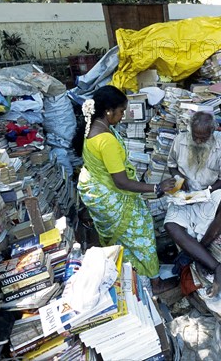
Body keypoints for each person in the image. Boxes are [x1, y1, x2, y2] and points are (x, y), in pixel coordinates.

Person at [75, 85, 177, 293]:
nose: (123, 116)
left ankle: (129, 277)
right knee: (142, 235)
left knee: (123, 238)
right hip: (113, 195)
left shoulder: (93, 128)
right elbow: (121, 181)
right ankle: (154, 283)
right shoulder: (105, 140)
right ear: (108, 111)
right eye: (121, 111)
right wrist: (157, 187)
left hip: (100, 194)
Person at [164, 111, 221, 296]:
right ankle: (216, 266)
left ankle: (195, 251)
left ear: (212, 131)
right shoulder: (180, 140)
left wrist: (208, 191)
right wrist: (178, 176)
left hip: (208, 193)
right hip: (185, 194)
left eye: (203, 137)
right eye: (195, 136)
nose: (197, 140)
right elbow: (171, 164)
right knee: (171, 226)